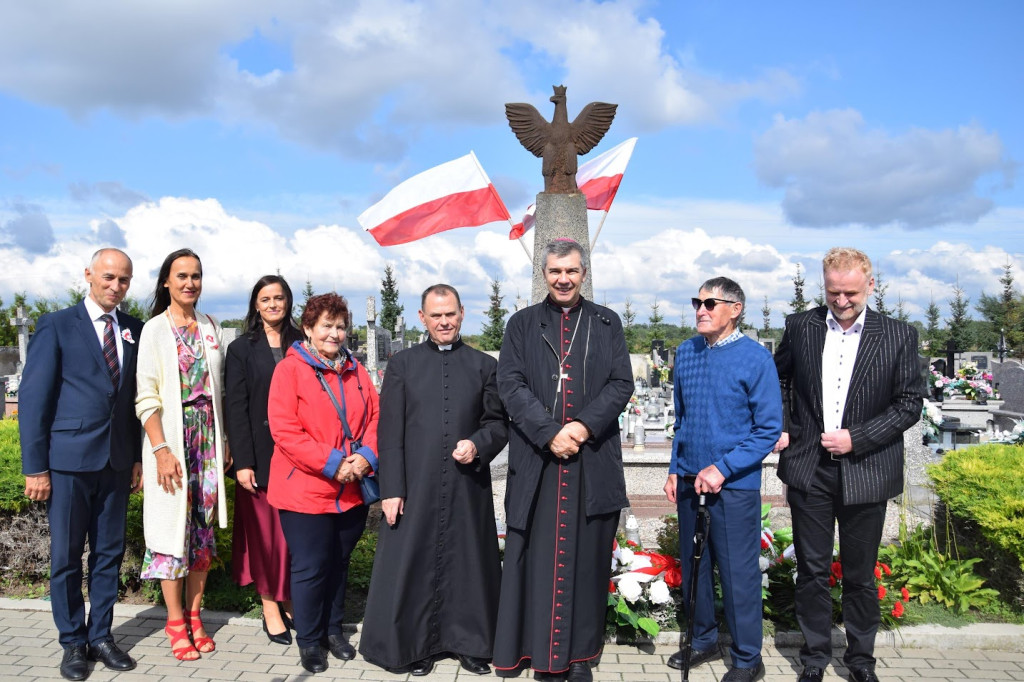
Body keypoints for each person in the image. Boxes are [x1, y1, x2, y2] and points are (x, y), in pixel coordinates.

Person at [774, 247, 923, 682]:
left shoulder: (898, 335)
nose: (841, 301)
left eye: (851, 293)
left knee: (859, 576)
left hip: (868, 470)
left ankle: (860, 661)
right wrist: (785, 425)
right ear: (824, 285)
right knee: (812, 572)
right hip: (809, 467)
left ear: (870, 285)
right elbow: (779, 378)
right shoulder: (800, 326)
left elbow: (909, 404)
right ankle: (815, 659)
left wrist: (856, 438)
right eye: (834, 292)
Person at [494, 239, 634, 682]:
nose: (563, 279)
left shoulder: (607, 322)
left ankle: (578, 657)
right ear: (544, 273)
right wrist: (550, 432)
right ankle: (539, 654)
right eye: (555, 271)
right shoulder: (521, 324)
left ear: (584, 273)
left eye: (571, 271)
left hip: (590, 463)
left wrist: (580, 428)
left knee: (586, 565)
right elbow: (511, 383)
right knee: (537, 563)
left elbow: (621, 383)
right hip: (540, 463)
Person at [360, 284, 508, 677]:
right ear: (422, 318)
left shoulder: (483, 366)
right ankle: (413, 646)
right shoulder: (403, 365)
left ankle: (472, 644)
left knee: (469, 564)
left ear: (462, 314)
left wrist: (477, 445)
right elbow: (389, 433)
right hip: (415, 484)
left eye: (451, 314)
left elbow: (497, 424)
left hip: (466, 485)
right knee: (413, 563)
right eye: (436, 315)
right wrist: (391, 489)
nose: (444, 322)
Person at [19, 248, 144, 680]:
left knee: (108, 556)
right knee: (67, 557)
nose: (116, 286)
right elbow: (35, 400)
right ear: (88, 275)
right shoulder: (56, 326)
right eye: (108, 277)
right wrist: (35, 467)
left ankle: (102, 636)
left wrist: (136, 459)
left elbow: (133, 402)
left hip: (115, 461)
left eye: (124, 280)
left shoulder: (133, 329)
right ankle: (73, 642)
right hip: (68, 462)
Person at [663, 277, 781, 682]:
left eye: (711, 303)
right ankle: (703, 639)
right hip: (689, 481)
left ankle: (748, 658)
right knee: (696, 568)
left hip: (734, 486)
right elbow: (682, 419)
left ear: (736, 309)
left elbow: (767, 430)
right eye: (697, 301)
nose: (701, 309)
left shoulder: (756, 359)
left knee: (737, 573)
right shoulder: (686, 351)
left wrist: (723, 468)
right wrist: (674, 467)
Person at [267, 292, 379, 674]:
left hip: (351, 489)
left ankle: (334, 632)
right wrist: (334, 464)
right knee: (312, 567)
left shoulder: (357, 370)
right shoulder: (290, 370)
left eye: (340, 326)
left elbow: (376, 418)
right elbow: (286, 430)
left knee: (339, 563)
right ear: (309, 328)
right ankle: (310, 641)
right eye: (327, 326)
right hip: (306, 489)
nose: (335, 334)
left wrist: (365, 457)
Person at [136, 248, 230, 662]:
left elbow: (219, 389)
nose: (189, 283)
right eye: (181, 276)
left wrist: (223, 440)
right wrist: (160, 450)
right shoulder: (154, 330)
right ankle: (174, 620)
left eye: (196, 275)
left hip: (207, 443)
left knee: (202, 533)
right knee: (171, 533)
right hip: (173, 442)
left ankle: (196, 615)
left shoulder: (211, 326)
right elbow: (146, 396)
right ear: (166, 282)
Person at [225, 275, 304, 645]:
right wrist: (243, 461)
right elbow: (235, 407)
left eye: (279, 298)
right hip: (258, 455)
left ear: (288, 301)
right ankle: (270, 606)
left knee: (290, 537)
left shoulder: (302, 342)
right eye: (265, 299)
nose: (273, 304)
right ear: (255, 305)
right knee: (264, 537)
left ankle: (289, 599)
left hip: (298, 456)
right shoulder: (242, 348)